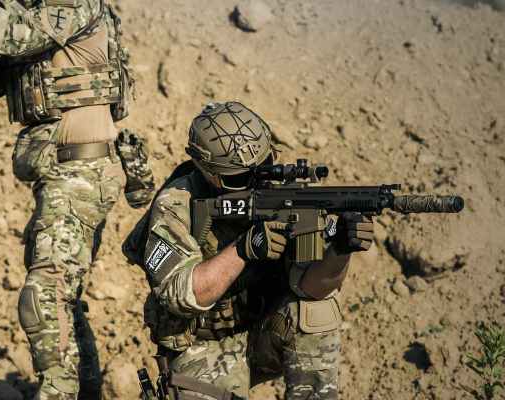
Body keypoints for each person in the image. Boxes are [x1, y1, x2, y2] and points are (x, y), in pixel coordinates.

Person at [0, 0, 136, 398]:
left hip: (81, 174)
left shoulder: (72, 6)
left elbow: (20, 34)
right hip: (55, 177)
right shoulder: (24, 14)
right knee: (62, 296)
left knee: (45, 291)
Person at [128, 102, 374, 400]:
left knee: (317, 311)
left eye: (265, 165)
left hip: (266, 333)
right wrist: (245, 248)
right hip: (202, 347)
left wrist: (340, 249)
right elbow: (179, 296)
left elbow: (312, 289)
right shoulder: (178, 202)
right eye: (238, 178)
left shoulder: (286, 193)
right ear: (206, 172)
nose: (257, 180)